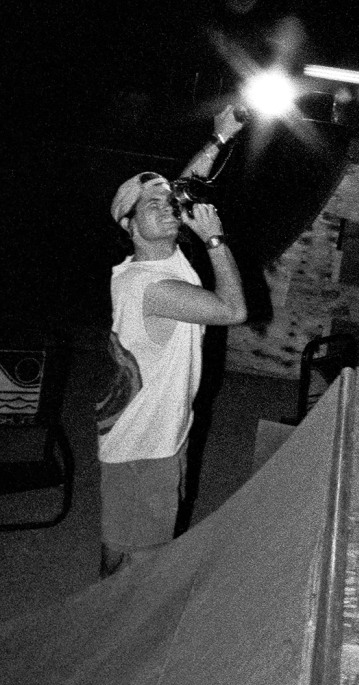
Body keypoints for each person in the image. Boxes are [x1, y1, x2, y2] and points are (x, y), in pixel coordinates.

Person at [96, 107, 247, 576]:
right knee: (143, 559)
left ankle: (104, 602)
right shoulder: (151, 286)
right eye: (151, 207)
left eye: (168, 204)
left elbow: (181, 185)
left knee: (122, 536)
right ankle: (116, 615)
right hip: (145, 445)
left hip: (149, 431)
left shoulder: (158, 256)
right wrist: (215, 241)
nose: (166, 209)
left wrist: (220, 137)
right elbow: (232, 311)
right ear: (128, 226)